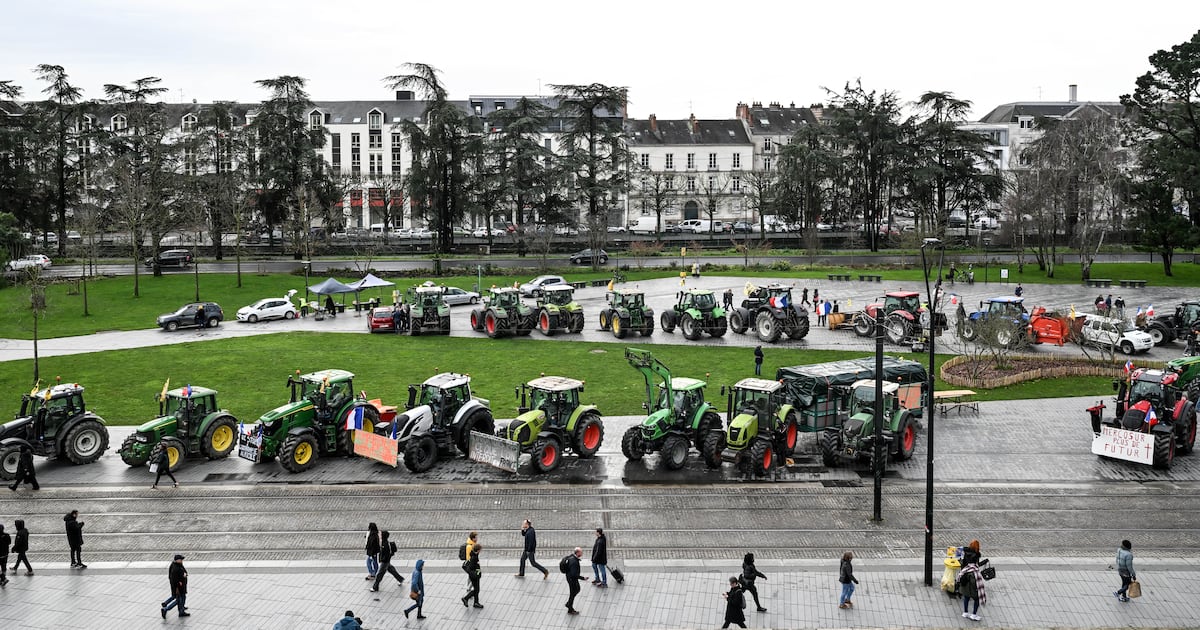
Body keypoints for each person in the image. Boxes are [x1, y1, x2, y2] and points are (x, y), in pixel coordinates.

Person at [956, 556, 986, 620]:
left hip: (965, 589)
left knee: (966, 598)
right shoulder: (975, 572)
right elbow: (977, 583)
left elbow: (959, 578)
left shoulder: (965, 569)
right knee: (977, 600)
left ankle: (965, 612)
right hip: (973, 590)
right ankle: (974, 614)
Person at [160, 554, 189, 618]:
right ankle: (165, 609)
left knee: (183, 597)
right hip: (178, 588)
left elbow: (184, 571)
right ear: (177, 560)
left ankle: (181, 610)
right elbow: (174, 579)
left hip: (181, 587)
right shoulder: (175, 568)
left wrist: (185, 574)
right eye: (181, 559)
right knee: (178, 600)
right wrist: (182, 578)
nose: (182, 561)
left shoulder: (178, 565)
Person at [564, 547, 587, 615]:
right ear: (577, 553)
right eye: (581, 552)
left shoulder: (572, 557)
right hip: (572, 579)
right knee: (573, 592)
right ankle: (570, 608)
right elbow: (574, 574)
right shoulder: (574, 562)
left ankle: (569, 604)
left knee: (577, 590)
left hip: (570, 577)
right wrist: (583, 578)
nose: (582, 553)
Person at [461, 543, 483, 609]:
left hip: (474, 575)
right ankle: (466, 598)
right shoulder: (474, 558)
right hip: (474, 576)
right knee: (476, 589)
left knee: (477, 589)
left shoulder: (474, 554)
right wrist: (477, 571)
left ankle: (476, 602)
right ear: (478, 550)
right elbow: (472, 567)